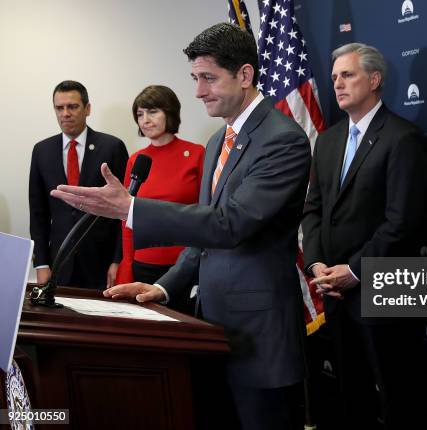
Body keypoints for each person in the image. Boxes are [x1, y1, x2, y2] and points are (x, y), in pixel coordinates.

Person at [51, 23, 311, 430]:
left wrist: (132, 209)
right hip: (210, 328)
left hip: (259, 338)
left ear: (245, 75)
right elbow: (202, 238)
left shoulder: (284, 139)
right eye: (195, 78)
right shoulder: (217, 143)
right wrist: (164, 286)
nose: (198, 91)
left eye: (208, 78)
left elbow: (229, 225)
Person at [301, 43, 427, 429]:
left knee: (399, 398)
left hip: (381, 292)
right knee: (351, 396)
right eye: (334, 77)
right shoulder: (327, 141)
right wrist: (316, 263)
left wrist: (354, 271)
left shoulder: (402, 138)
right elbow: (313, 210)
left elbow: (402, 223)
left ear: (374, 80)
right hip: (336, 294)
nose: (337, 84)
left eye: (348, 75)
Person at [29, 80, 128, 289]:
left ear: (87, 108)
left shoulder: (112, 147)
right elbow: (38, 214)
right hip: (58, 262)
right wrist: (41, 263)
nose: (65, 113)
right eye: (59, 107)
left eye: (72, 106)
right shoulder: (41, 151)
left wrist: (118, 260)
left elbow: (124, 211)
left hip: (100, 263)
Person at [115, 85, 205, 308]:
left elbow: (207, 216)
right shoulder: (137, 160)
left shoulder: (196, 154)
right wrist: (126, 265)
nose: (145, 120)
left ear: (170, 112)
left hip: (183, 267)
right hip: (142, 265)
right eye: (139, 114)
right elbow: (127, 219)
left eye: (152, 111)